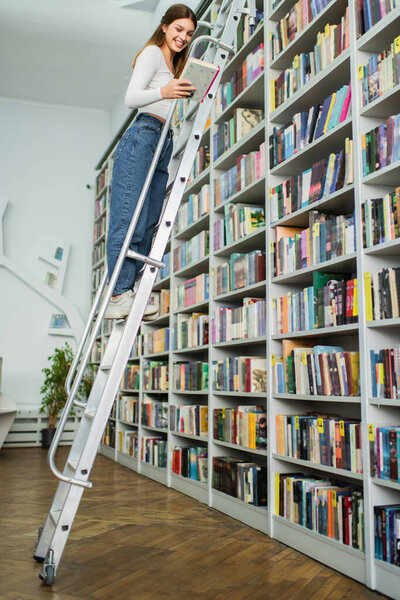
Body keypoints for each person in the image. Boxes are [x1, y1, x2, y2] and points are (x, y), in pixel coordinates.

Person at [105, 4, 197, 319]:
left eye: (188, 33)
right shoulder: (152, 55)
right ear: (164, 27)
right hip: (143, 135)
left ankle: (131, 290)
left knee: (148, 222)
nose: (183, 37)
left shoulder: (175, 66)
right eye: (178, 29)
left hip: (163, 140)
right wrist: (164, 90)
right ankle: (118, 293)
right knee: (128, 217)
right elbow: (131, 98)